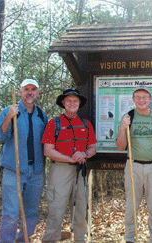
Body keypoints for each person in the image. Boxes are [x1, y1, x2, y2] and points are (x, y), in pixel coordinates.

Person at [116, 86, 152, 243]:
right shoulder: (128, 117)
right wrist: (122, 129)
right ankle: (130, 238)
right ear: (133, 100)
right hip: (133, 166)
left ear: (150, 99)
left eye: (144, 97)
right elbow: (121, 147)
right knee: (131, 207)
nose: (141, 100)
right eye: (138, 97)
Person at [0, 79, 48, 242]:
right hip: (13, 170)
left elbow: (47, 141)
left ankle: (23, 239)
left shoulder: (41, 114)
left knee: (31, 211)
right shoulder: (10, 111)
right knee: (11, 213)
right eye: (26, 89)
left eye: (33, 89)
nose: (30, 92)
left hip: (36, 172)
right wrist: (8, 118)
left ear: (38, 93)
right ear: (20, 92)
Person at [41, 88, 97, 242]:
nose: (72, 103)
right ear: (63, 103)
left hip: (81, 171)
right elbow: (48, 150)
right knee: (56, 209)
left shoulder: (85, 124)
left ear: (79, 103)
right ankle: (50, 239)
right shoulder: (54, 123)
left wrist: (84, 154)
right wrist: (69, 159)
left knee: (81, 208)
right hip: (60, 170)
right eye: (69, 100)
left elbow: (93, 148)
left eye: (75, 101)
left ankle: (80, 239)